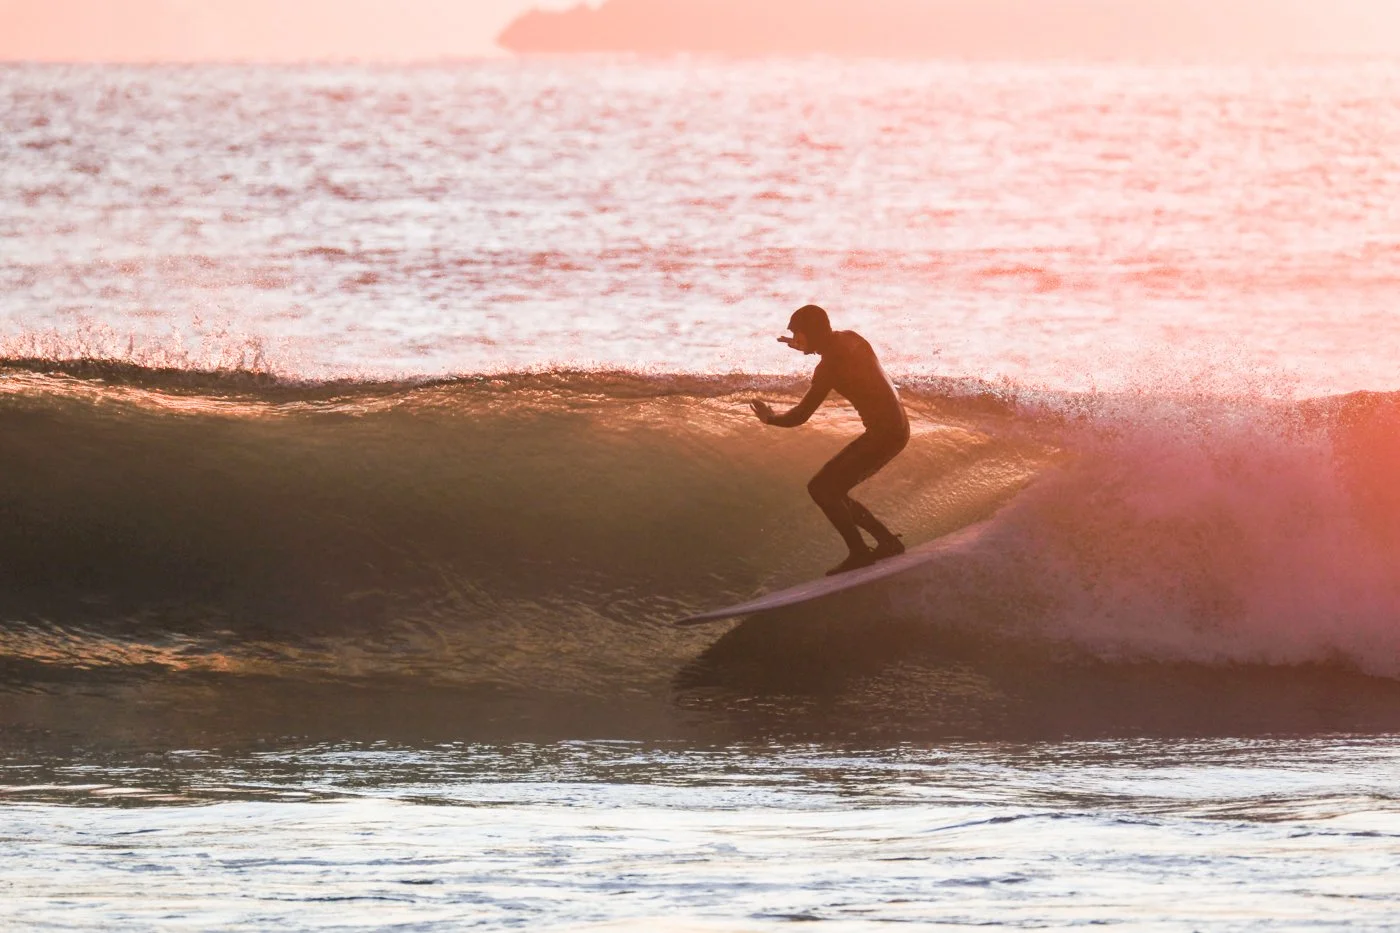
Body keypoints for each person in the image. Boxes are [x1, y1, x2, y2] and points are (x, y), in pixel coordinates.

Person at [750, 304, 910, 575]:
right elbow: (835, 351)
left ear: (810, 332)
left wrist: (771, 418)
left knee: (821, 489)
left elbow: (800, 416)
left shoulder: (829, 367)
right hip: (899, 427)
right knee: (832, 490)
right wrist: (808, 345)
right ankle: (886, 542)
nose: (796, 340)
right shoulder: (851, 338)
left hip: (883, 435)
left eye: (799, 334)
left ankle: (861, 553)